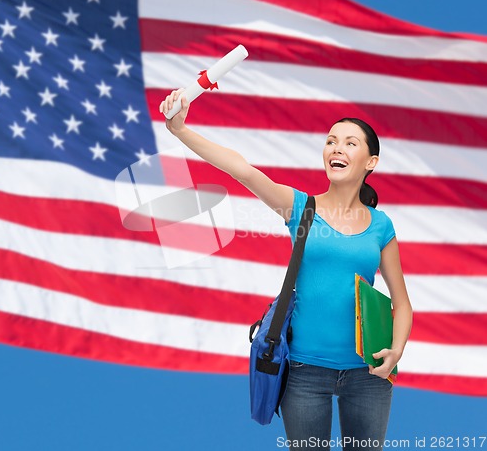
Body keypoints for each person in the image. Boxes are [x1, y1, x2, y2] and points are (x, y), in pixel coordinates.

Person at [159, 90, 413, 451]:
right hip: (304, 375)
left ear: (370, 161)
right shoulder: (299, 208)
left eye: (349, 143)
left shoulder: (381, 226)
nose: (337, 148)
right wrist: (180, 130)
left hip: (368, 376)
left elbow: (401, 303)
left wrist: (396, 351)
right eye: (331, 141)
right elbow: (242, 169)